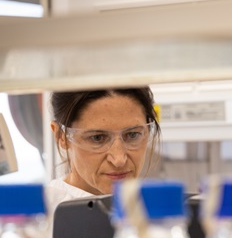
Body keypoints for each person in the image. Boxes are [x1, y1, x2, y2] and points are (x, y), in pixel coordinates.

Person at [46, 87, 160, 219]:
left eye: (133, 135)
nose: (119, 159)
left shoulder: (163, 217)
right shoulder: (42, 221)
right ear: (61, 136)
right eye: (97, 138)